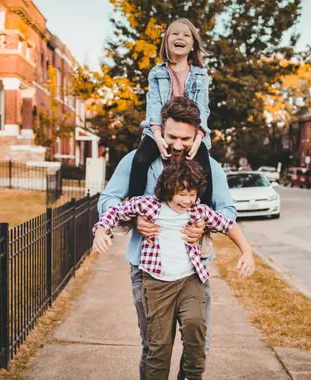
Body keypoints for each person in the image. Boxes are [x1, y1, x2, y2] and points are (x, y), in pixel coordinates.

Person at [98, 96, 235, 380]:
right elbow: (109, 198)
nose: (177, 145)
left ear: (198, 135)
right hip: (146, 271)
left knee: (198, 345)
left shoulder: (209, 167)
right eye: (171, 136)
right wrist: (133, 220)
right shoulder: (137, 161)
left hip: (192, 274)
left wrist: (203, 228)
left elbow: (228, 211)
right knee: (154, 347)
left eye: (185, 138)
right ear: (160, 130)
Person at [93, 158, 255, 380]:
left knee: (196, 326)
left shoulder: (199, 211)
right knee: (159, 345)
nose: (188, 200)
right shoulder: (147, 205)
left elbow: (229, 225)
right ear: (168, 189)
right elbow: (115, 211)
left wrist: (247, 252)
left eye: (192, 194)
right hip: (157, 283)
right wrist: (101, 230)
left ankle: (191, 375)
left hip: (190, 280)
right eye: (182, 194)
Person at [129, 18, 213, 205]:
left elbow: (203, 108)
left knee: (205, 169)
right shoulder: (156, 73)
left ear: (192, 45)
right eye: (174, 33)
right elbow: (154, 104)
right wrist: (157, 135)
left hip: (192, 133)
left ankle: (205, 215)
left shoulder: (200, 75)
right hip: (161, 129)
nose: (180, 37)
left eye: (185, 35)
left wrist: (199, 137)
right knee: (140, 160)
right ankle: (132, 209)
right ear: (166, 41)